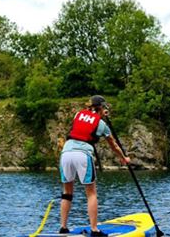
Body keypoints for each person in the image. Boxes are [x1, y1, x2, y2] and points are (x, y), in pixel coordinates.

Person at [59, 96, 130, 237]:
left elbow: (86, 119)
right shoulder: (102, 124)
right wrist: (123, 158)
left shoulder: (77, 114)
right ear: (102, 107)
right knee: (91, 193)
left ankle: (63, 228)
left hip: (66, 153)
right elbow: (113, 144)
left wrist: (98, 113)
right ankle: (94, 229)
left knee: (67, 193)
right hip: (83, 155)